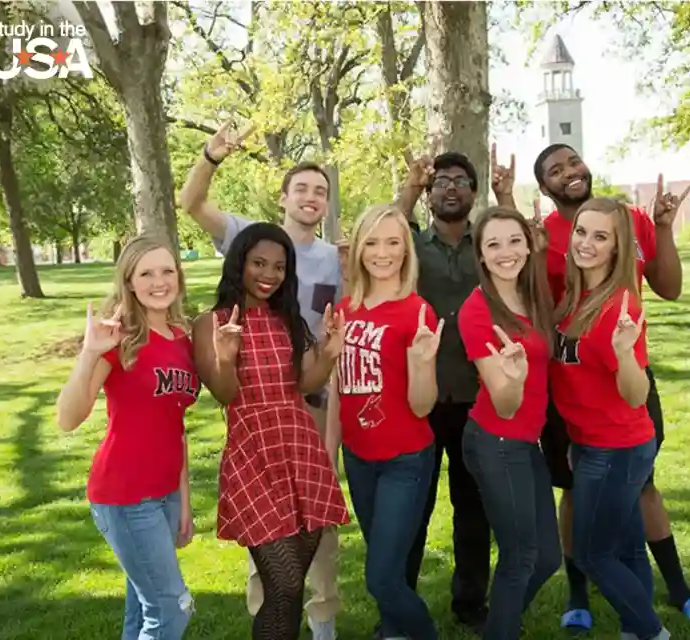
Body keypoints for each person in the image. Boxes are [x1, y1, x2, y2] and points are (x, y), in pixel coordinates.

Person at [529, 143, 690, 633]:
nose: (570, 172)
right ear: (545, 188)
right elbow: (538, 309)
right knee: (575, 494)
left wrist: (660, 229)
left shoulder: (630, 221)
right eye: (556, 169)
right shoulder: (548, 244)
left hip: (620, 386)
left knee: (641, 490)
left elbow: (668, 289)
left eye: (573, 161)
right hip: (571, 393)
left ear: (618, 242)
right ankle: (589, 600)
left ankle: (672, 595)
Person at [178, 121, 343, 639]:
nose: (268, 274)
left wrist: (331, 353)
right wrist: (224, 357)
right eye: (258, 264)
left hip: (300, 446)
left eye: (278, 266)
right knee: (286, 581)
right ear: (239, 263)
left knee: (287, 590)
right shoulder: (213, 321)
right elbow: (225, 395)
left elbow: (303, 380)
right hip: (253, 453)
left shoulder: (287, 317)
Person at [56, 235, 198, 640]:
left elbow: (177, 426)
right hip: (124, 495)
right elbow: (68, 419)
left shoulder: (182, 338)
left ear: (179, 277)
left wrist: (183, 502)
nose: (159, 281)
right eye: (146, 273)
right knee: (172, 608)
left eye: (167, 270)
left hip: (166, 494)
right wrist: (89, 353)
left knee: (142, 610)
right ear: (129, 282)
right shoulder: (119, 338)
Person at [552, 197, 669, 640]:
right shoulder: (576, 294)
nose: (586, 243)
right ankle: (634, 630)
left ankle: (650, 630)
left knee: (592, 553)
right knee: (627, 548)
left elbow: (636, 394)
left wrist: (624, 354)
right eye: (582, 232)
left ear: (619, 248)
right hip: (589, 443)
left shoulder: (621, 306)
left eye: (601, 237)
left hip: (616, 448)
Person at [326, 204, 443, 640]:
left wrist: (421, 363)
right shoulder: (344, 309)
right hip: (360, 458)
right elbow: (338, 388)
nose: (382, 253)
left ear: (406, 249)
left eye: (393, 242)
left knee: (381, 579)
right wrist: (329, 453)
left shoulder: (417, 312)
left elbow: (422, 405)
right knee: (385, 564)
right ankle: (394, 633)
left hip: (405, 459)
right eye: (372, 242)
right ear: (357, 249)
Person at [394, 149, 498, 634]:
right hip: (421, 396)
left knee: (474, 509)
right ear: (431, 194)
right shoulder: (412, 245)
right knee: (412, 509)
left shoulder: (491, 244)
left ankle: (471, 601)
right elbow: (382, 236)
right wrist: (410, 188)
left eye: (460, 180)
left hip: (479, 396)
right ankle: (400, 601)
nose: (450, 187)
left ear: (474, 193)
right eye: (441, 182)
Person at [458, 206, 561, 640]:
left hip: (525, 442)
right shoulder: (477, 311)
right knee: (520, 556)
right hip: (496, 439)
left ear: (528, 244)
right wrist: (514, 379)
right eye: (493, 244)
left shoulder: (533, 294)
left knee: (546, 558)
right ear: (480, 255)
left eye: (514, 241)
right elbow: (503, 404)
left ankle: (500, 621)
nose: (506, 252)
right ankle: (501, 629)